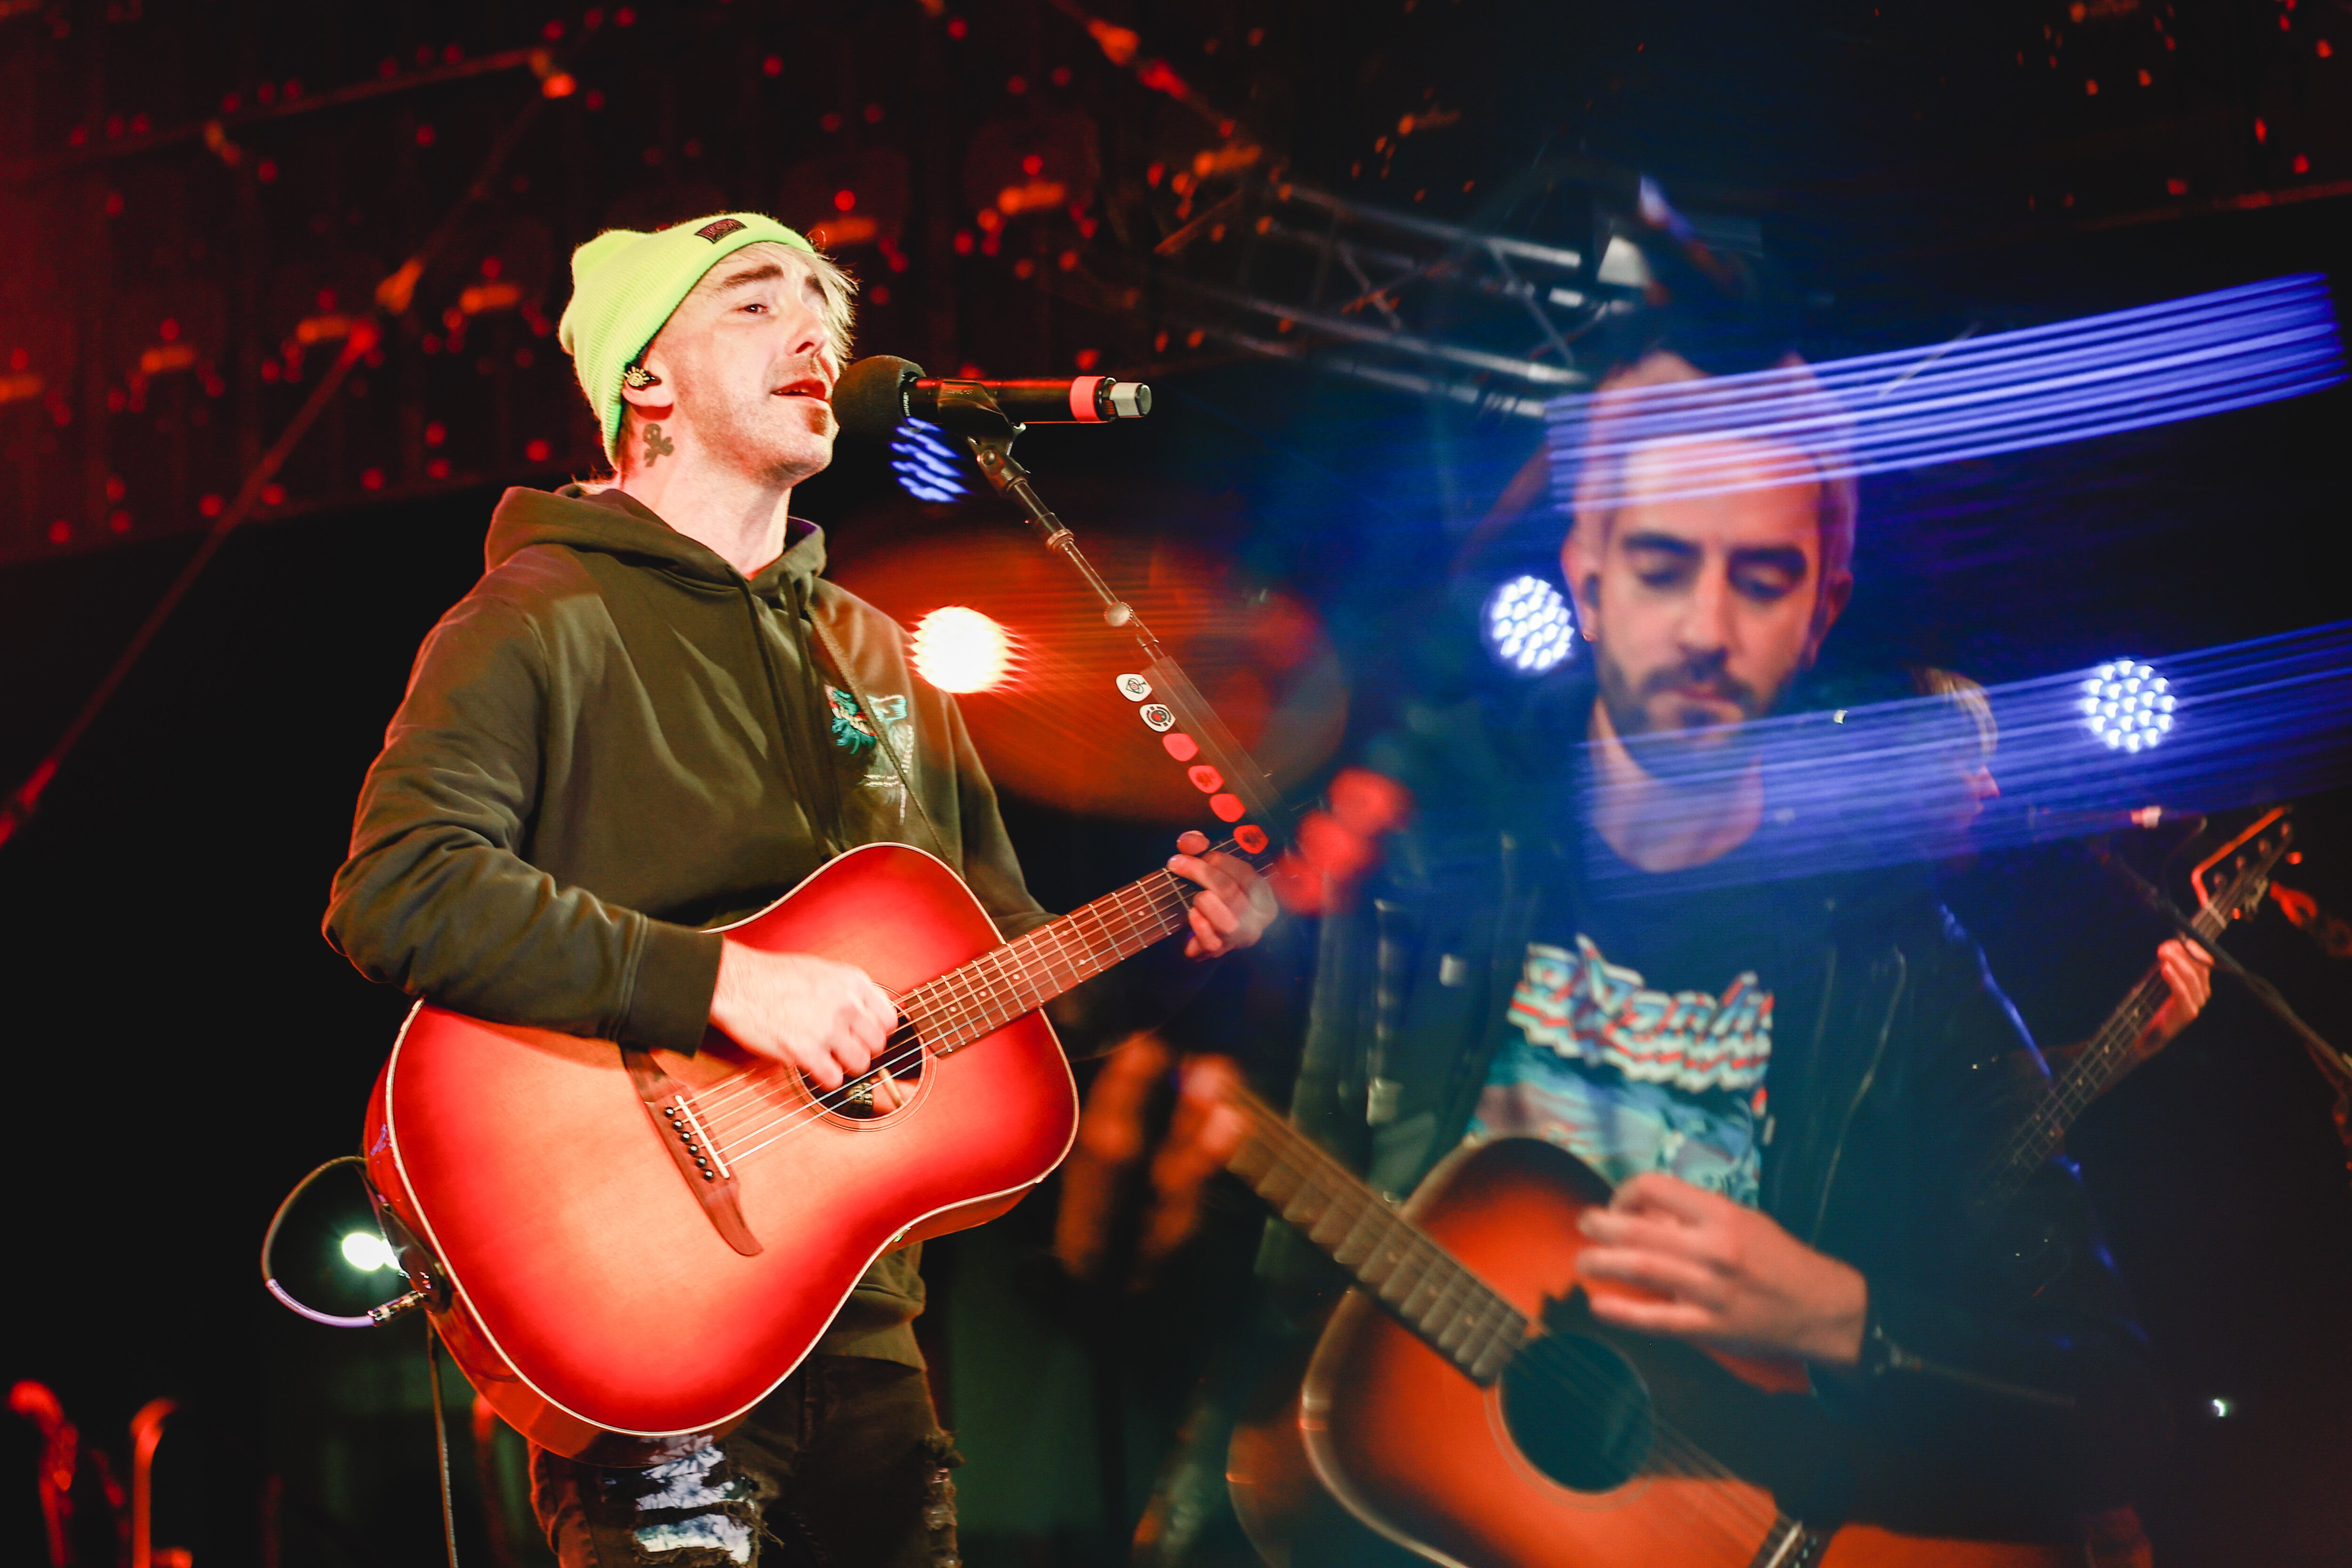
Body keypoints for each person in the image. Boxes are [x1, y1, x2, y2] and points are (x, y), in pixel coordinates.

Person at [322, 213, 1274, 1568]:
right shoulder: (533, 617)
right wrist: (728, 983)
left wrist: (1171, 940)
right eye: (756, 304)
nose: (816, 333)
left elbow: (992, 989)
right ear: (645, 380)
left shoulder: (878, 653)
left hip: (872, 1337)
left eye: (821, 305)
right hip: (648, 1325)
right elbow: (401, 889)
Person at [1260, 344, 2201, 1554]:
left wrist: (1839, 1317)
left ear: (1824, 609)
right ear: (1586, 580)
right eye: (1661, 568)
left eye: (1761, 580)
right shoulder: (1413, 869)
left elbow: (2115, 1409)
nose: (1705, 629)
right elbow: (1245, 1268)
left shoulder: (1898, 966)